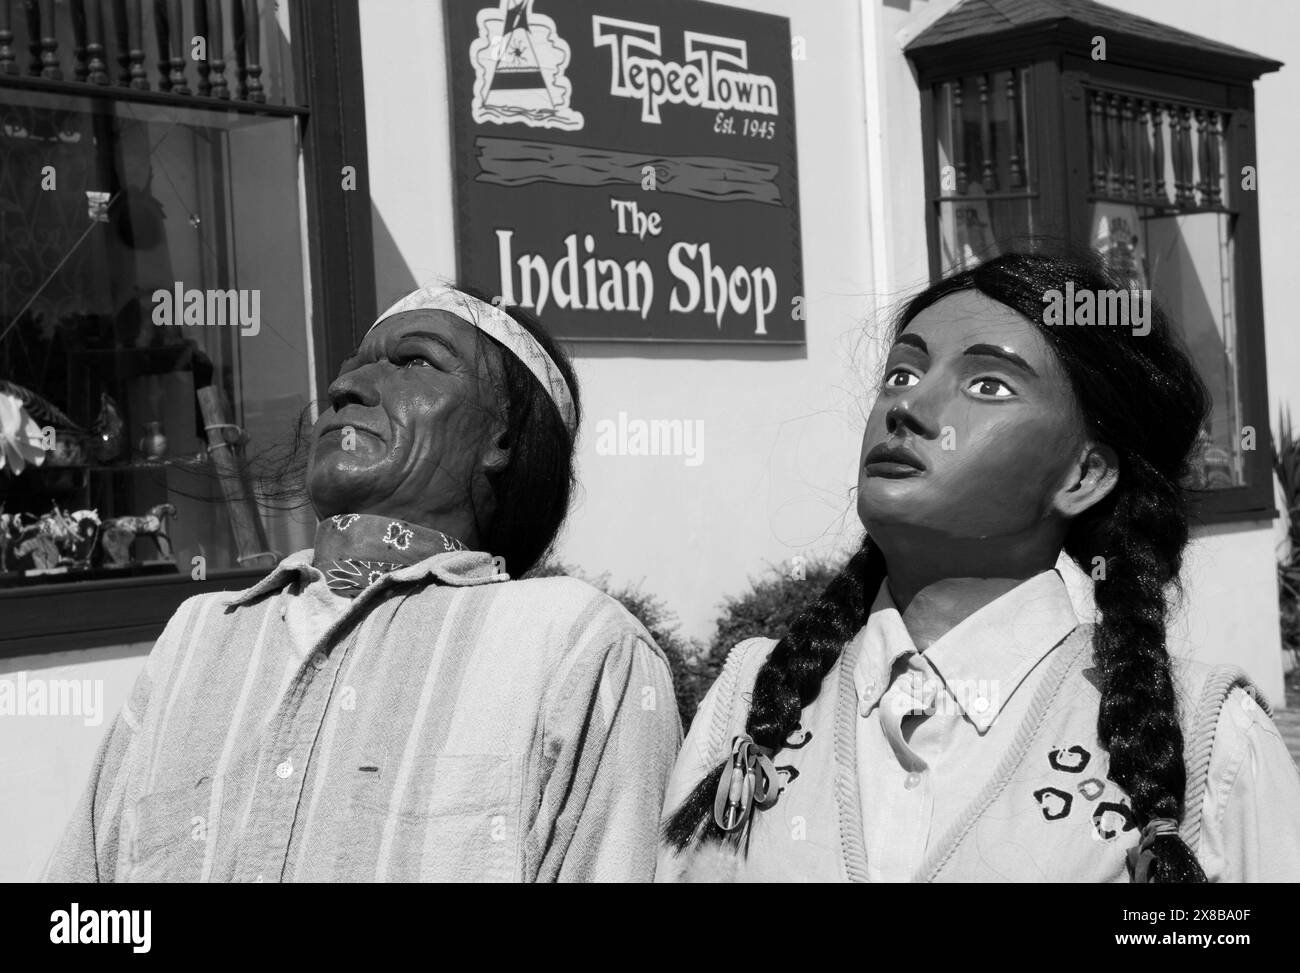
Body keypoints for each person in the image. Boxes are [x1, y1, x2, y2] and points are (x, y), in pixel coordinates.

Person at [658, 251, 1300, 882]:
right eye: (902, 375)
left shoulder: (1210, 741)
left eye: (987, 385)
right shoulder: (751, 699)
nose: (904, 409)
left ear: (1083, 475)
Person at [45, 285, 680, 882]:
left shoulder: (577, 647)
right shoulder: (199, 637)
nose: (345, 385)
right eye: (352, 365)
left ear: (504, 436)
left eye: (414, 363)